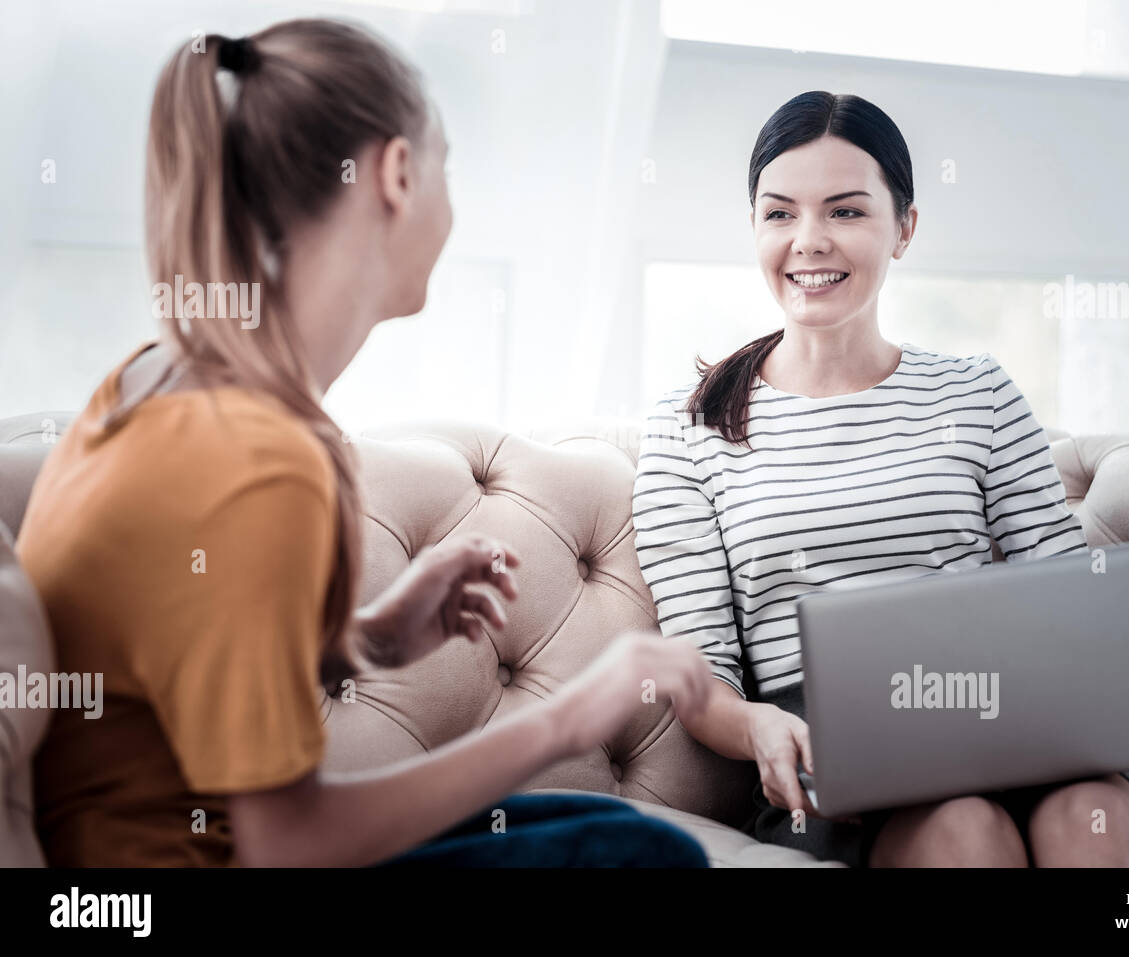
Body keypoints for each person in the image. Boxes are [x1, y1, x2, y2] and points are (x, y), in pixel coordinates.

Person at [16, 18, 712, 868]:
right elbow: (287, 843)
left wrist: (371, 639)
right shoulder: (262, 460)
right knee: (638, 856)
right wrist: (572, 712)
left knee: (607, 829)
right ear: (397, 173)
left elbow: (178, 661)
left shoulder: (152, 380)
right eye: (444, 164)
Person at [632, 90, 1129, 868]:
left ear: (904, 228)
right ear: (755, 228)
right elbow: (700, 665)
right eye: (779, 214)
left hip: (1014, 723)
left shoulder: (977, 392)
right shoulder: (691, 427)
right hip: (838, 761)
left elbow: (1066, 597)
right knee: (965, 832)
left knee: (1093, 817)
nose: (808, 241)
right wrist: (758, 728)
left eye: (846, 212)